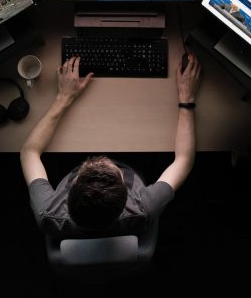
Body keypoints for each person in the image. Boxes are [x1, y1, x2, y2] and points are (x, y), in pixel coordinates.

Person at [20, 53, 201, 239]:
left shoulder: (48, 214)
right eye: (117, 174)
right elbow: (184, 159)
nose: (104, 158)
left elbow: (29, 152)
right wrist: (187, 97)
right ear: (125, 193)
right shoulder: (142, 208)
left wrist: (63, 97)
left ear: (72, 184)